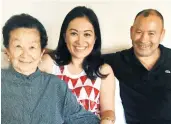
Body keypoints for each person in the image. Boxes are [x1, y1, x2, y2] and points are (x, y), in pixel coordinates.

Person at [1, 13, 100, 124]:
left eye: (32, 47)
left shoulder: (57, 86)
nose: (25, 54)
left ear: (41, 52)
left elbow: (84, 119)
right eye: (18, 46)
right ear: (7, 51)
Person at [39, 6, 116, 123]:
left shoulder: (103, 71)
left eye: (87, 34)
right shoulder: (49, 64)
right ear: (65, 37)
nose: (80, 41)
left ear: (95, 38)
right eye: (74, 33)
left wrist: (107, 120)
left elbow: (108, 111)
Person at [103, 9, 171, 124]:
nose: (144, 39)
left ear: (162, 34)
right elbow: (82, 59)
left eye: (151, 33)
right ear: (131, 31)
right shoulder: (116, 61)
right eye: (139, 32)